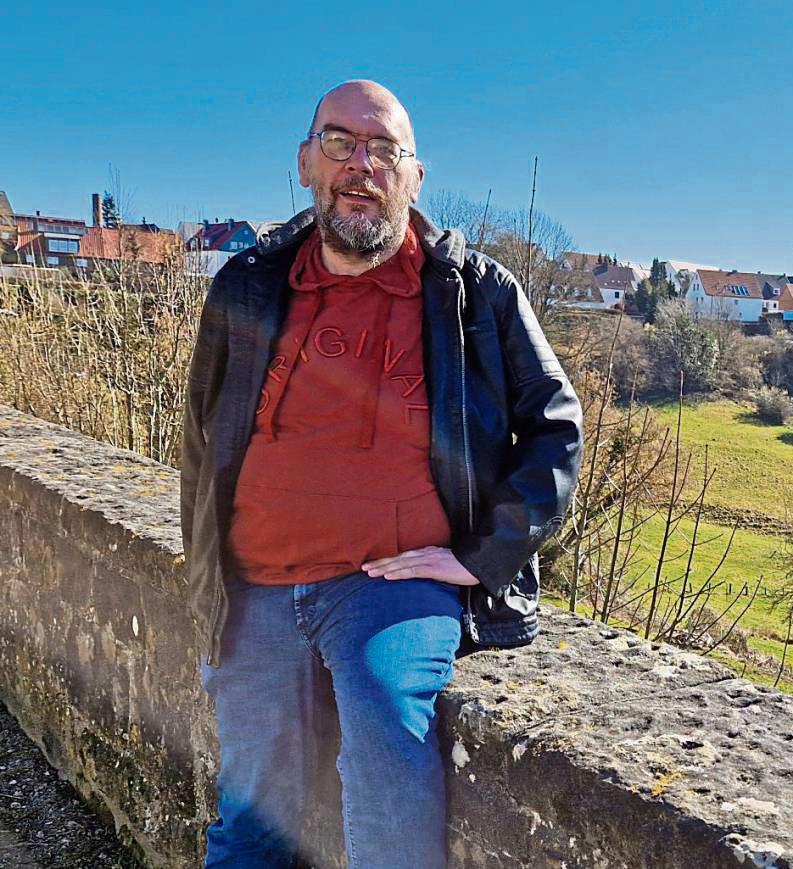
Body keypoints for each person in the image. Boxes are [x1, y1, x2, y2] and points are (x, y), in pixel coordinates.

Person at [179, 79, 583, 869]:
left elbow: (557, 427)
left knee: (385, 768)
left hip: (389, 586)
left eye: (384, 149)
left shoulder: (476, 293)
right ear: (306, 162)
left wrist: (480, 558)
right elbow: (201, 438)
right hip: (252, 583)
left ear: (415, 177)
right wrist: (207, 572)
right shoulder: (248, 284)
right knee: (251, 817)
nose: (361, 164)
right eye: (340, 142)